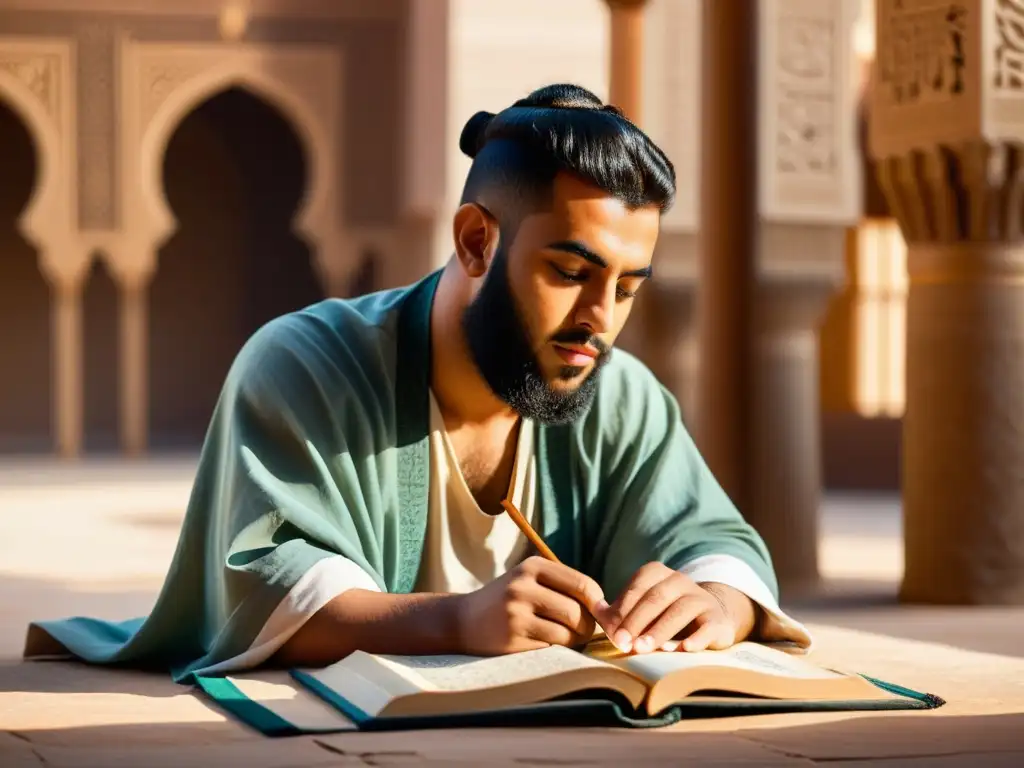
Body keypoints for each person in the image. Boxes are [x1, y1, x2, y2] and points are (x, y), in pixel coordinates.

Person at [25, 84, 811, 683]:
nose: (599, 318)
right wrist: (455, 621)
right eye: (571, 273)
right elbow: (265, 587)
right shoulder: (305, 364)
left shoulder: (619, 394)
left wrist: (716, 600)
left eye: (628, 287)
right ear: (475, 241)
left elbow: (717, 544)